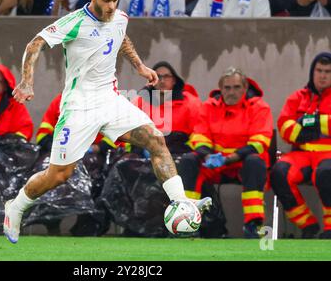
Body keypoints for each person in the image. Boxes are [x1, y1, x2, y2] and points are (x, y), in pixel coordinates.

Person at [3, 0, 211, 243]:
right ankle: (16, 207)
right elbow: (35, 44)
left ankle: (182, 203)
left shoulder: (119, 17)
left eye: (115, 0)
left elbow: (121, 36)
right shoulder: (75, 22)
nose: (112, 6)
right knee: (59, 175)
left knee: (156, 139)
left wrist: (140, 66)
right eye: (106, 1)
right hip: (79, 106)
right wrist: (27, 82)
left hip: (110, 100)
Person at [182, 67, 273, 238]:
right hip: (214, 162)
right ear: (221, 89)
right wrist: (208, 155)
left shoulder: (259, 107)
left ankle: (253, 225)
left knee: (255, 162)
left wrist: (230, 158)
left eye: (237, 87)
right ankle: (187, 222)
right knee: (189, 161)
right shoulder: (209, 106)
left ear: (245, 89)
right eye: (227, 88)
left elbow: (260, 143)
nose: (232, 92)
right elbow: (199, 137)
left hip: (243, 162)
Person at [270, 53, 331, 239]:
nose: (323, 75)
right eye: (319, 71)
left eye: (328, 72)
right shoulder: (298, 97)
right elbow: (284, 125)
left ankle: (330, 228)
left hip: (328, 154)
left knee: (326, 173)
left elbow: (298, 122)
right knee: (279, 172)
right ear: (312, 72)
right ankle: (308, 225)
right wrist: (302, 132)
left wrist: (311, 122)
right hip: (301, 153)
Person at [132, 61, 202, 155]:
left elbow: (199, 134)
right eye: (157, 76)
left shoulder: (191, 103)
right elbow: (127, 131)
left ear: (174, 80)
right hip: (144, 158)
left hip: (180, 156)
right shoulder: (139, 102)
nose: (162, 81)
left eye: (167, 76)